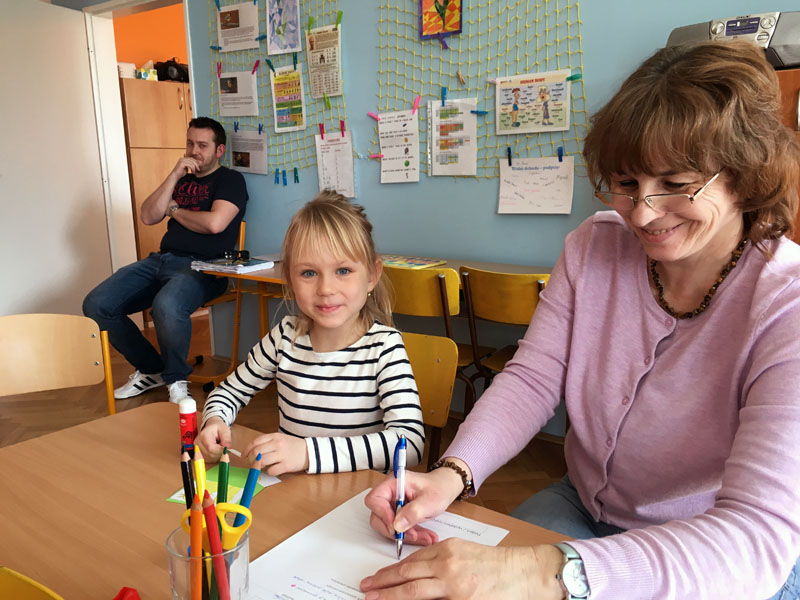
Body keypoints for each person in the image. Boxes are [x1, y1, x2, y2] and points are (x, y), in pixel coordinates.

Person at [361, 40, 800, 600]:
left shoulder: (786, 304)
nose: (643, 212)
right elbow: (533, 378)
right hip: (584, 504)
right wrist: (451, 474)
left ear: (745, 172)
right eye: (626, 183)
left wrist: (545, 572)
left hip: (707, 551)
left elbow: (756, 536)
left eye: (675, 183)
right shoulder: (594, 245)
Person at [197, 191, 425, 476]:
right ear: (290, 280)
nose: (325, 289)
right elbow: (229, 391)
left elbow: (410, 444)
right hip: (294, 491)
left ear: (371, 276)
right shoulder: (284, 337)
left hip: (358, 496)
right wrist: (214, 421)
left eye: (343, 270)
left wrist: (308, 454)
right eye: (308, 273)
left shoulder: (384, 347)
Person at [83, 117, 248, 404]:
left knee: (166, 305)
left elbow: (214, 224)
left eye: (202, 145)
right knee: (97, 304)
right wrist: (173, 175)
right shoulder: (181, 179)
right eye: (190, 143)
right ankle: (151, 369)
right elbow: (148, 216)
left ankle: (176, 380)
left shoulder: (230, 180)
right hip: (162, 260)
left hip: (205, 267)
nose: (194, 151)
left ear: (219, 150)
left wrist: (173, 211)